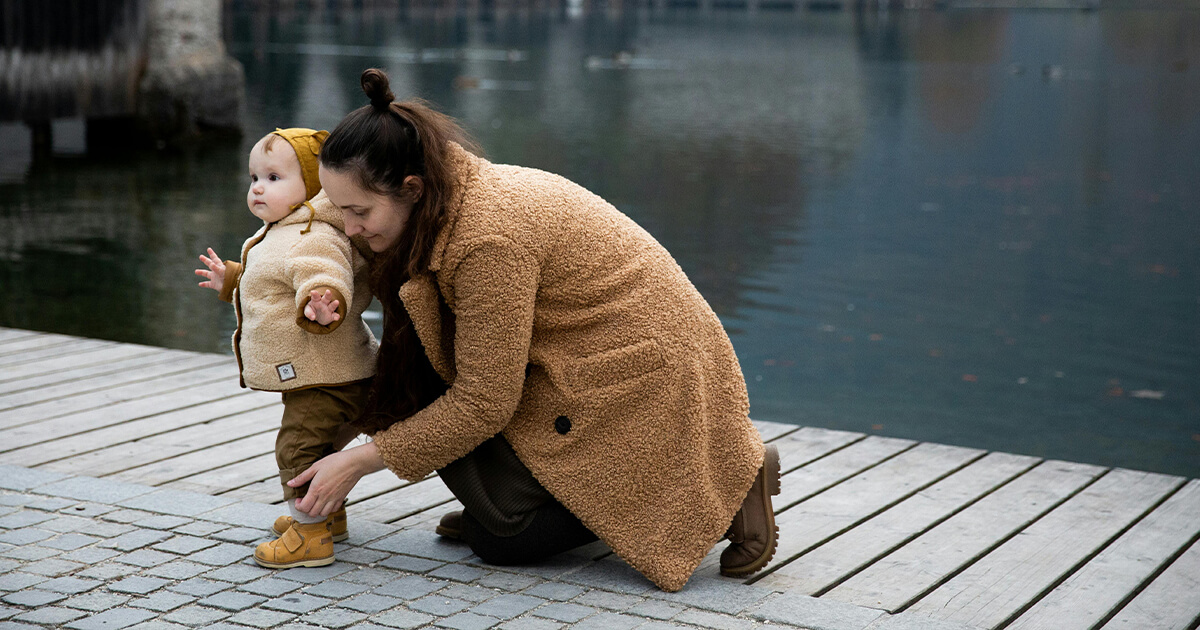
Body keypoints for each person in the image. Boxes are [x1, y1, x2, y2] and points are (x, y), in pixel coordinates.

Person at [288, 68, 780, 592]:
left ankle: (732, 480)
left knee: (503, 540)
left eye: (358, 212)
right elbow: (324, 213)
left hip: (643, 387)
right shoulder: (446, 192)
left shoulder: (488, 240)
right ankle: (515, 502)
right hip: (587, 366)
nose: (350, 226)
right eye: (341, 210)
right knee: (432, 378)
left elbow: (485, 401)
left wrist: (360, 460)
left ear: (411, 188)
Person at [194, 128, 378, 569]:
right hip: (328, 370)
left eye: (274, 178)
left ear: (314, 186)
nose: (258, 187)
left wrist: (323, 301)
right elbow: (273, 282)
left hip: (324, 375)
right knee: (322, 445)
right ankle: (327, 515)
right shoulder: (284, 231)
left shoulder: (314, 234)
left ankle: (310, 536)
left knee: (298, 449)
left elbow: (321, 273)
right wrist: (233, 280)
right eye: (254, 176)